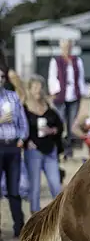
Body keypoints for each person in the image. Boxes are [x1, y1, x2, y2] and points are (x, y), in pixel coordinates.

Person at [6, 71, 64, 215]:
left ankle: (60, 215)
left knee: (56, 185)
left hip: (50, 149)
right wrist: (27, 141)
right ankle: (35, 216)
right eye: (35, 87)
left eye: (40, 86)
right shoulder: (24, 107)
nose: (38, 90)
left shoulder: (48, 105)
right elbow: (20, 126)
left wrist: (53, 130)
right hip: (33, 151)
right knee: (35, 187)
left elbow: (59, 124)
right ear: (30, 89)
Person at [0, 69, 28, 238]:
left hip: (12, 146)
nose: (0, 79)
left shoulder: (13, 97)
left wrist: (22, 138)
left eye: (2, 77)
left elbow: (23, 121)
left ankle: (19, 227)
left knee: (14, 190)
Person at [47, 39, 86, 159]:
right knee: (60, 123)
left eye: (68, 47)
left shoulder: (77, 60)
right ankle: (59, 148)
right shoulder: (56, 61)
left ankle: (69, 150)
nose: (66, 49)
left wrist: (82, 92)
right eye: (64, 47)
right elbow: (52, 77)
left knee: (71, 125)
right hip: (61, 96)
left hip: (73, 96)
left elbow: (81, 77)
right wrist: (55, 91)